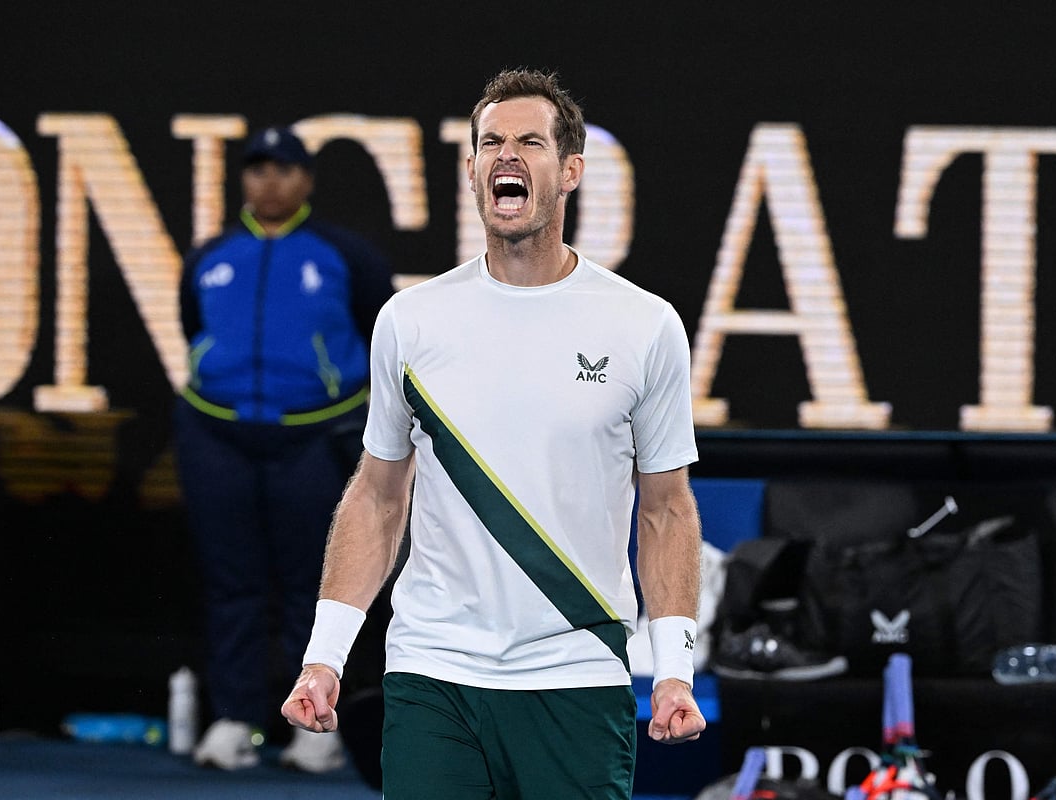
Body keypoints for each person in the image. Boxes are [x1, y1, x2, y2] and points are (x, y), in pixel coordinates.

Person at [281, 69, 706, 798]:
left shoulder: (645, 326)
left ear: (570, 170)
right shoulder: (411, 323)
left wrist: (673, 668)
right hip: (433, 673)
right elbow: (378, 500)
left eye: (530, 142)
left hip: (578, 676)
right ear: (474, 168)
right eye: (490, 142)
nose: (506, 155)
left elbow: (666, 508)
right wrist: (325, 657)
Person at [173, 125, 395, 772]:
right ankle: (235, 718)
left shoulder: (344, 254)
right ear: (243, 179)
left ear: (306, 180)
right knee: (231, 583)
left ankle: (316, 725)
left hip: (315, 436)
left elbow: (380, 333)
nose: (270, 181)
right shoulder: (210, 256)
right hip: (216, 433)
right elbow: (194, 327)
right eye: (258, 169)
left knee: (317, 585)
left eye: (285, 169)